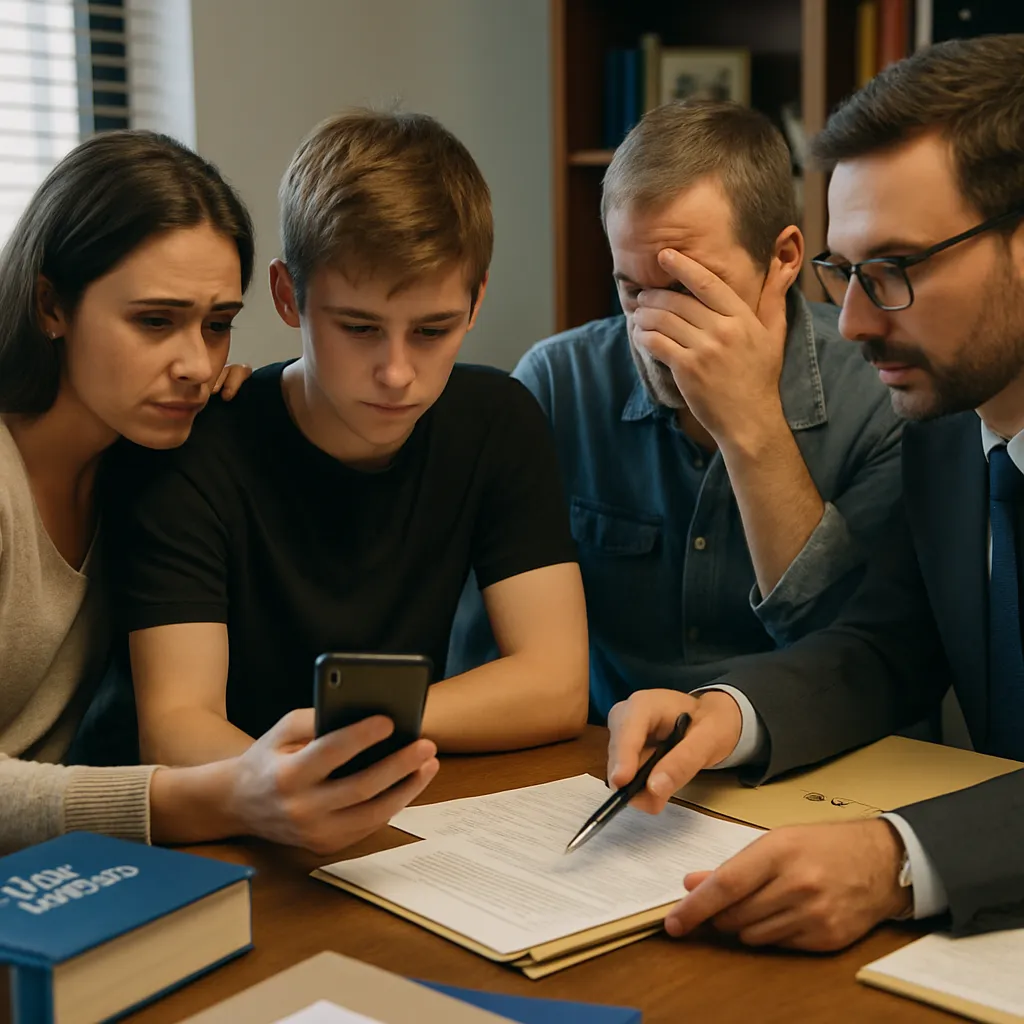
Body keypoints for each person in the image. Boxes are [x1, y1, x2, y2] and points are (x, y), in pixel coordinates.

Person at [605, 34, 1024, 950]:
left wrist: (899, 858)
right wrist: (729, 714)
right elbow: (886, 648)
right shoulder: (947, 433)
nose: (855, 322)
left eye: (896, 268)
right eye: (847, 271)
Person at [0, 129, 439, 856]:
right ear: (51, 304)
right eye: (155, 321)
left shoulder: (140, 461)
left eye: (217, 325)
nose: (198, 366)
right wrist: (216, 798)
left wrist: (240, 418)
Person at [110, 110, 588, 769]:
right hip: (223, 810)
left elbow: (557, 686)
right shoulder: (194, 449)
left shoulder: (498, 420)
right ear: (288, 296)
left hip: (379, 792)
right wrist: (305, 777)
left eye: (432, 330)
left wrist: (343, 731)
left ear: (476, 302)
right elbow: (176, 730)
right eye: (359, 329)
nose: (397, 374)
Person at [449, 100, 902, 722]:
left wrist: (751, 428)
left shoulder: (880, 391)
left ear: (784, 258)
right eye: (633, 290)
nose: (654, 332)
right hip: (602, 756)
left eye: (687, 288)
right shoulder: (557, 385)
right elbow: (483, 658)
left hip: (816, 751)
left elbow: (860, 663)